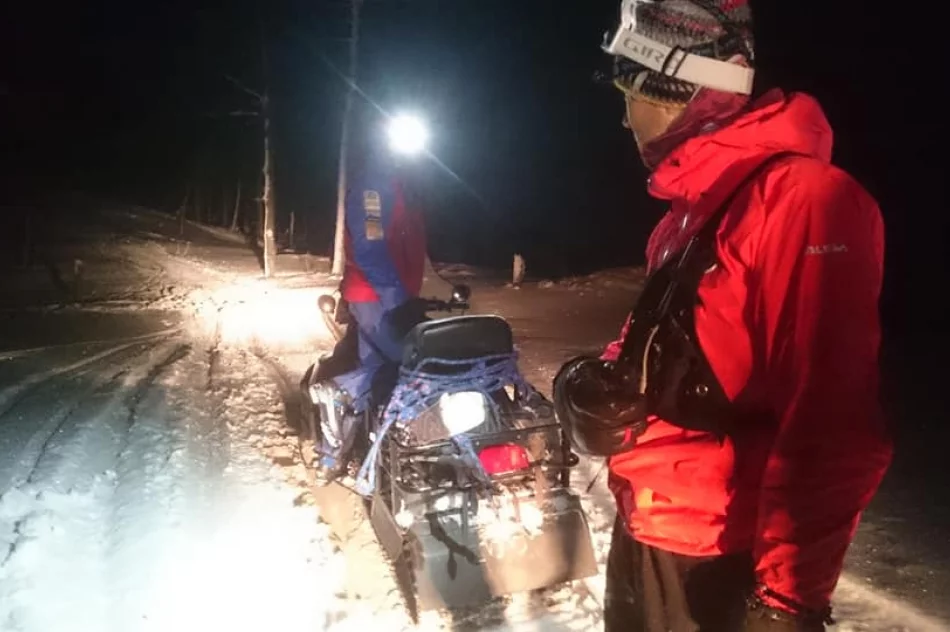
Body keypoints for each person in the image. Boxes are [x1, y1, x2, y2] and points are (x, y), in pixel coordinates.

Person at [552, 0, 893, 630]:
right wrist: (586, 386)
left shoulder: (806, 201)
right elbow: (652, 347)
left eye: (629, 90)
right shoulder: (687, 216)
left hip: (717, 561)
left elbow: (834, 426)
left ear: (678, 90)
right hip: (649, 528)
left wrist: (787, 604)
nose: (625, 119)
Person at [310, 134, 427, 484]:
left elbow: (411, 249)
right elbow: (370, 249)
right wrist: (397, 302)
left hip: (392, 293)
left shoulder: (400, 186)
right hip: (374, 295)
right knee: (413, 366)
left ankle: (365, 449)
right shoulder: (372, 189)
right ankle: (336, 395)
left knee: (380, 367)